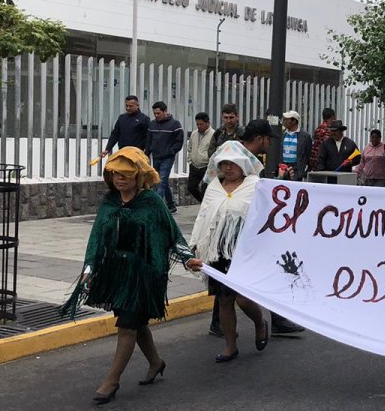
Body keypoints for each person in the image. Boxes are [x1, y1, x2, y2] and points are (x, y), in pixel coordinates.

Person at [61, 147, 202, 404]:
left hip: (146, 274)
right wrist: (89, 268)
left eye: (126, 174)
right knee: (136, 323)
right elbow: (97, 237)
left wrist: (187, 258)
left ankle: (111, 381)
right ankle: (156, 362)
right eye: (115, 173)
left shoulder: (153, 202)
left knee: (127, 326)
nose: (120, 178)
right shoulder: (109, 202)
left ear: (139, 175)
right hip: (117, 274)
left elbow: (173, 234)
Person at [190, 142, 270, 363]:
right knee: (224, 300)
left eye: (232, 163)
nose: (228, 168)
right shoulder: (214, 187)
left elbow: (267, 216)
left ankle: (259, 323)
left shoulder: (255, 185)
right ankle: (230, 345)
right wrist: (195, 244)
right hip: (218, 253)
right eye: (223, 164)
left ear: (242, 164)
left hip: (245, 252)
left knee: (243, 299)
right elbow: (203, 216)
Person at [145, 101, 184, 214]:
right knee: (161, 181)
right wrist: (146, 154)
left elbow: (179, 141)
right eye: (155, 114)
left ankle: (155, 206)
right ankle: (171, 205)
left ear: (165, 111)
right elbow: (149, 141)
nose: (156, 116)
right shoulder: (152, 124)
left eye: (158, 113)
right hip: (156, 156)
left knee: (160, 181)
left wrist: (171, 152)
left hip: (168, 157)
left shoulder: (175, 124)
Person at [185, 113, 215, 203]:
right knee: (191, 187)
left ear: (208, 123)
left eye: (201, 124)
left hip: (206, 166)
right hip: (194, 165)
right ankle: (203, 203)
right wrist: (190, 160)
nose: (199, 126)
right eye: (197, 124)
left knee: (205, 189)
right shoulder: (194, 134)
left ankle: (206, 206)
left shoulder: (213, 135)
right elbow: (189, 147)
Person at [279, 110, 313, 180]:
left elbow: (309, 154)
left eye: (287, 119)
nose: (284, 121)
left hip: (297, 168)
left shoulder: (305, 136)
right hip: (284, 167)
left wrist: (306, 170)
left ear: (294, 121)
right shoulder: (283, 135)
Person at [308, 107, 336, 171]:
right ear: (332, 117)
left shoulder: (318, 128)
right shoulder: (329, 131)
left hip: (314, 161)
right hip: (323, 163)